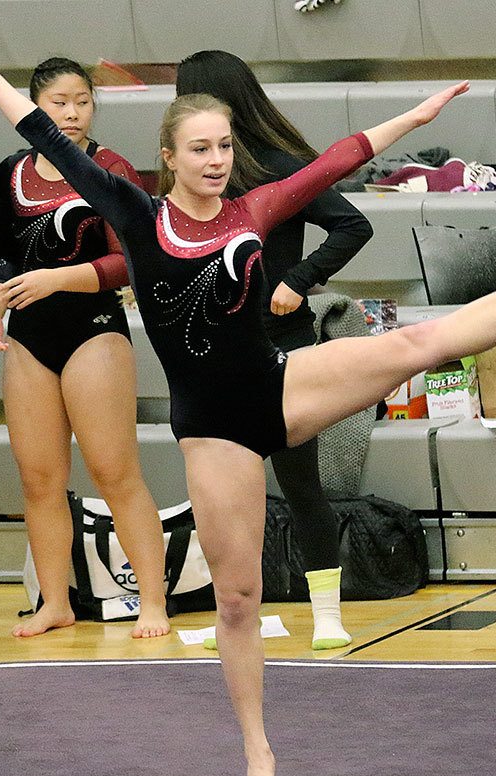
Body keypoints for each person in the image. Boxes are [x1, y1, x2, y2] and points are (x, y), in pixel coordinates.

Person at [0, 11, 496, 776]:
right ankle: (257, 753)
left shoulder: (253, 210)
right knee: (238, 599)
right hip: (213, 425)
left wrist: (414, 118)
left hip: (277, 383)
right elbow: (46, 139)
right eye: (199, 149)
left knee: (417, 344)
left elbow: (336, 160)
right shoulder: (135, 214)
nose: (215, 161)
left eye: (224, 148)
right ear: (168, 157)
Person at [175, 49, 373, 650]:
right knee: (225, 498)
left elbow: (352, 224)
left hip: (281, 350)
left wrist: (298, 279)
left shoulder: (280, 167)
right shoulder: (188, 176)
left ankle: (329, 614)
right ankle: (233, 615)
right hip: (216, 355)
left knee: (301, 484)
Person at [0, 57, 169, 639]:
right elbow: (2, 254)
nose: (71, 112)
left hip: (93, 331)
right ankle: (55, 602)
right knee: (39, 479)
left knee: (116, 474)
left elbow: (130, 262)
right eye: (59, 101)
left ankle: (154, 604)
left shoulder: (108, 170)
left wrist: (56, 280)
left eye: (82, 101)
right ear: (36, 106)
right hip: (31, 337)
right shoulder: (12, 171)